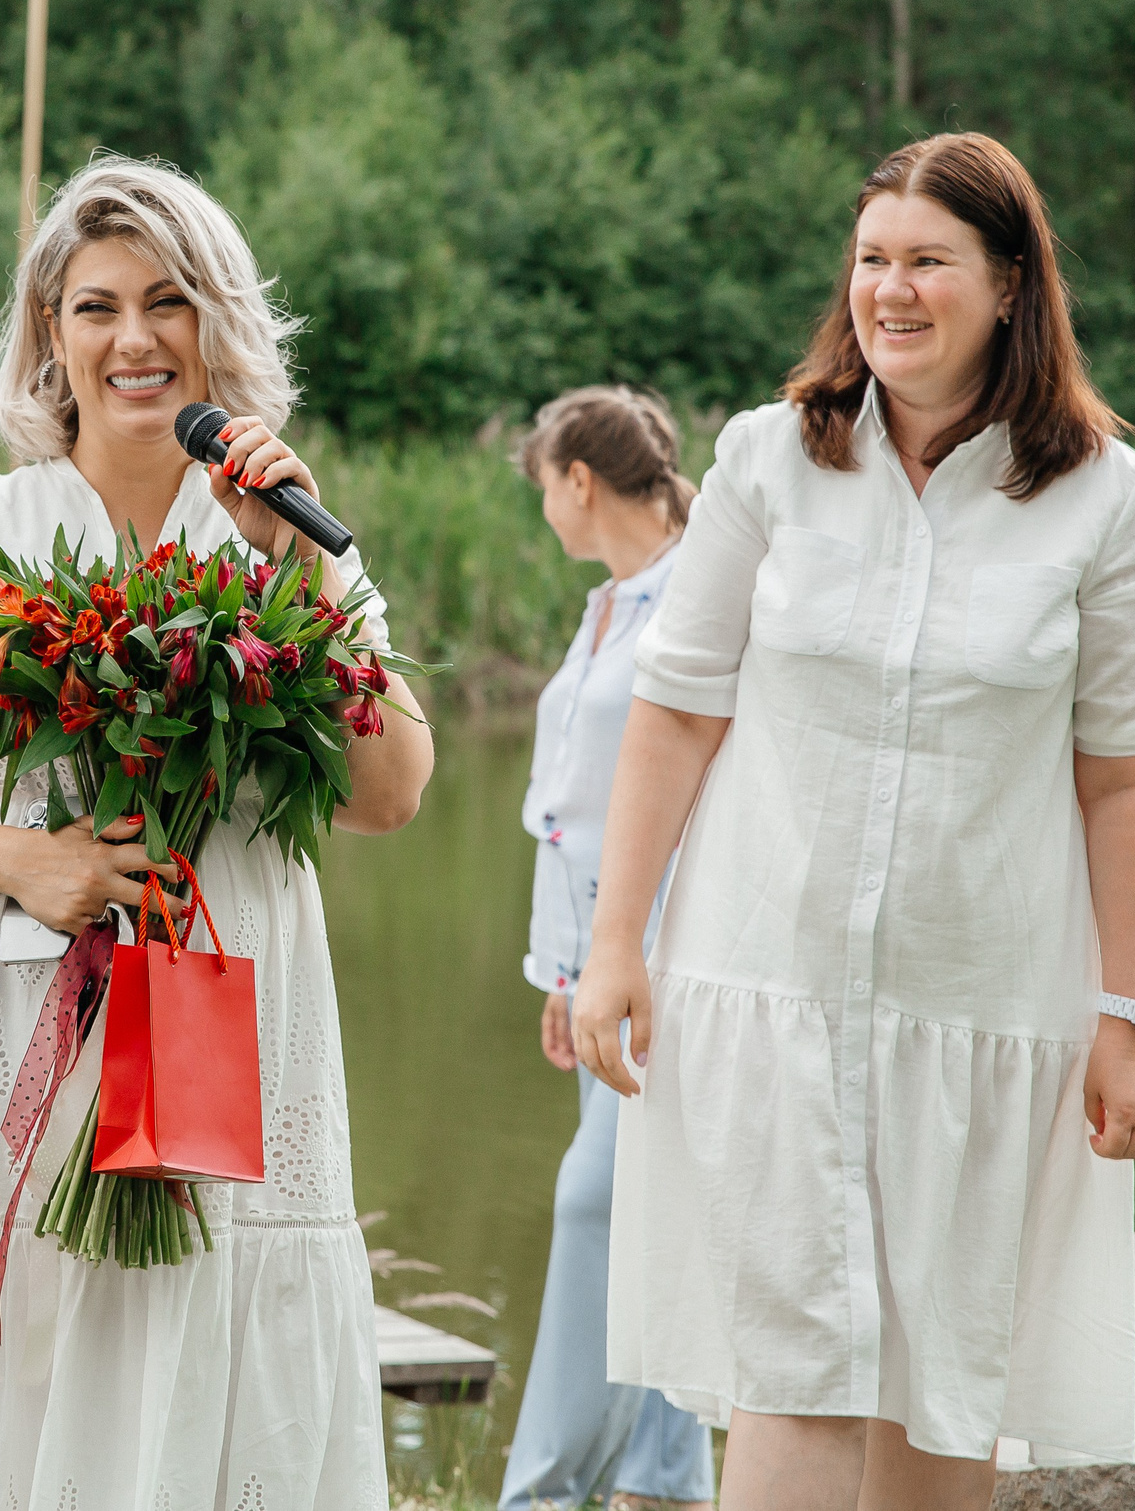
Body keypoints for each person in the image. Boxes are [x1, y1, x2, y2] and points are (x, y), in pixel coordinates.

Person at [0, 155, 435, 1509]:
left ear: (219, 323)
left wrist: (300, 566)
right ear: (49, 335)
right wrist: (27, 860)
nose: (135, 338)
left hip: (230, 1036)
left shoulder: (277, 542)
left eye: (169, 302)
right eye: (96, 305)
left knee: (204, 1322)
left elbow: (391, 789)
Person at [572, 132, 1135, 1511]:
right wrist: (616, 942)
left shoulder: (1108, 499)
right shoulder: (768, 461)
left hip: (983, 1014)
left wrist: (1125, 1015)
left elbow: (1129, 775)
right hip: (768, 991)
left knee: (940, 1398)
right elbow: (676, 713)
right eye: (871, 260)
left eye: (928, 261)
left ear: (1012, 284)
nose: (890, 290)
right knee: (784, 1377)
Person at [501, 387, 714, 1511]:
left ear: (577, 479)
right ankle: (666, 1481)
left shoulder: (696, 594)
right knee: (649, 1205)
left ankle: (539, 1492)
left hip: (674, 954)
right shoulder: (607, 606)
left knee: (600, 1204)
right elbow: (567, 805)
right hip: (599, 956)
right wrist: (566, 965)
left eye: (543, 487)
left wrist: (623, 953)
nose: (545, 508)